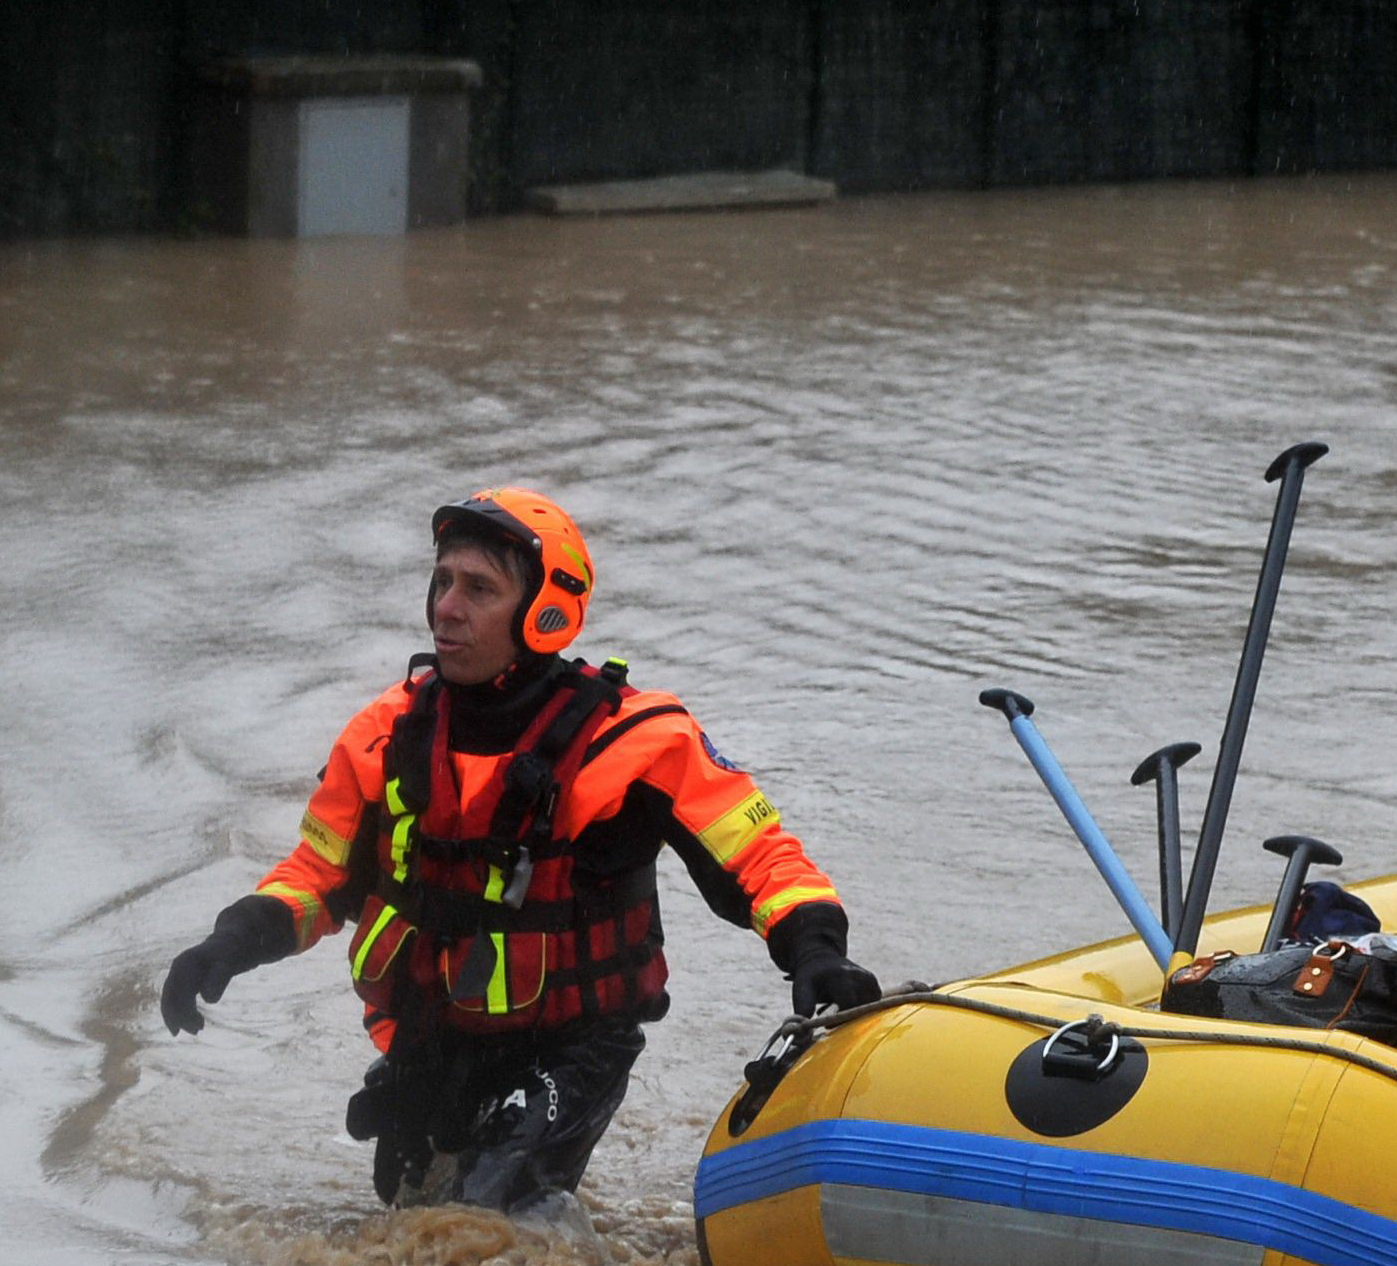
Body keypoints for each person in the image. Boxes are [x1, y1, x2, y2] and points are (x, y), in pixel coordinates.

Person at [159, 487, 880, 1213]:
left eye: (479, 589)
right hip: (435, 1038)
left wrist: (816, 950)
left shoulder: (638, 741)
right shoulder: (384, 733)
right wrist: (231, 941)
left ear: (545, 612)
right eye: (442, 581)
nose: (446, 607)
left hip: (574, 1045)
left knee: (482, 1218)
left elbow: (759, 857)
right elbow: (319, 875)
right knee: (409, 1219)